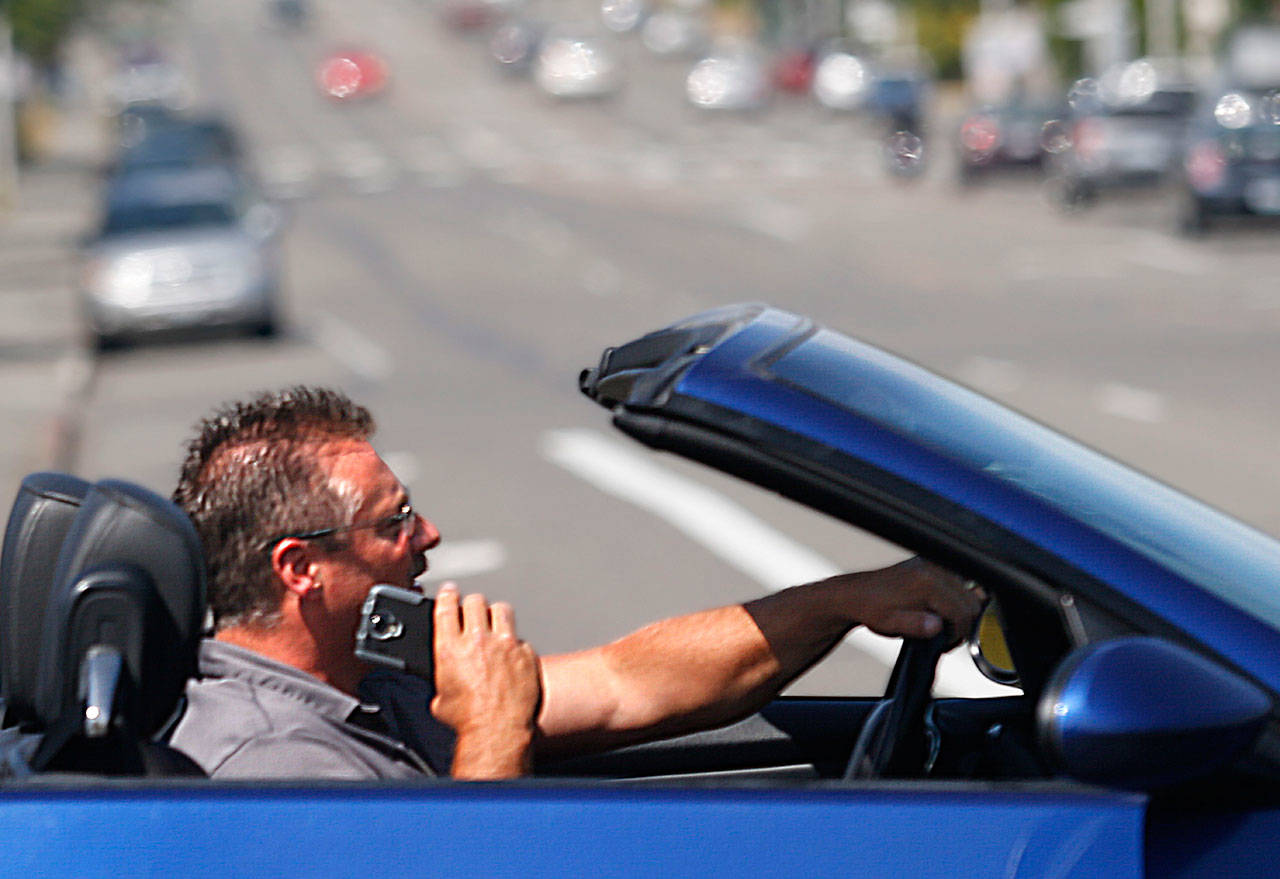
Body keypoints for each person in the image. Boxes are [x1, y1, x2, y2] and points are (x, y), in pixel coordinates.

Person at [167, 386, 985, 780]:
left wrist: (844, 602)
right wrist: (491, 728)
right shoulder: (271, 760)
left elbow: (626, 684)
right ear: (300, 569)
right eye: (395, 521)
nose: (429, 535)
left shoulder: (366, 680)